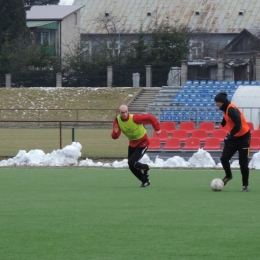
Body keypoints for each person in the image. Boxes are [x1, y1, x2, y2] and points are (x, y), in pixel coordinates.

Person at [111, 104, 161, 187]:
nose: (124, 114)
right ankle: (145, 181)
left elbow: (149, 117)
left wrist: (157, 128)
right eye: (122, 112)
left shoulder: (135, 118)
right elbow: (115, 137)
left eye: (126, 112)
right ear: (119, 112)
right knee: (131, 165)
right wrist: (115, 133)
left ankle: (146, 167)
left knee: (132, 162)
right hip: (132, 143)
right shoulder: (117, 120)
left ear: (128, 111)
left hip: (143, 142)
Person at [214, 92, 251, 192]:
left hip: (244, 137)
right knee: (224, 158)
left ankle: (245, 185)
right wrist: (222, 123)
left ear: (222, 102)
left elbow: (238, 123)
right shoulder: (225, 109)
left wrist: (230, 135)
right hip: (234, 138)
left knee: (243, 163)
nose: (216, 104)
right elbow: (227, 117)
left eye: (217, 102)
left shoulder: (231, 109)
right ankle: (229, 175)